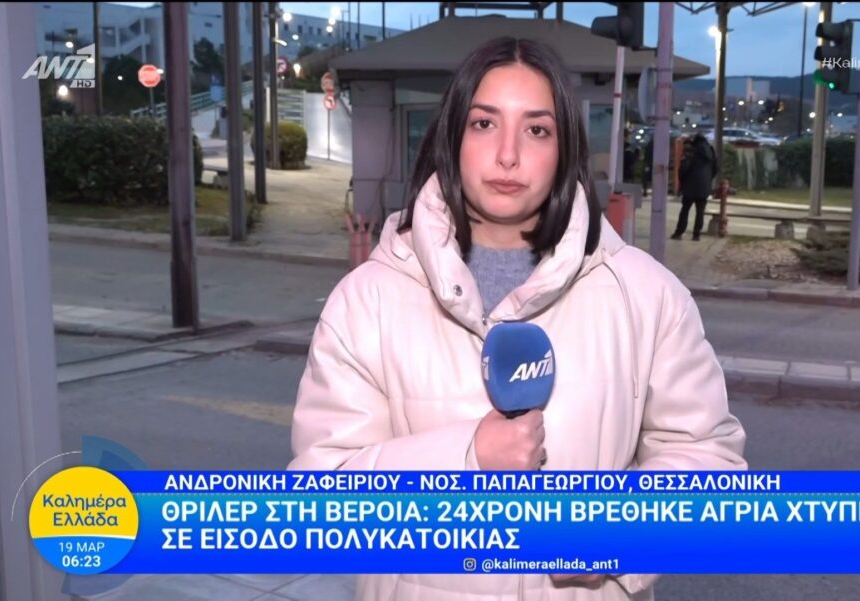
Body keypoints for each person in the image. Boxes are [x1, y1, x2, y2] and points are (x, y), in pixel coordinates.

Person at [289, 36, 747, 601]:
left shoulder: (648, 296)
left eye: (537, 130)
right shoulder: (366, 302)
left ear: (565, 147)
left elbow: (709, 460)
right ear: (452, 137)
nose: (508, 154)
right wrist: (465, 460)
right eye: (484, 124)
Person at [671, 133, 717, 241]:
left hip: (690, 186)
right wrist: (708, 180)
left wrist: (682, 181)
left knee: (685, 210)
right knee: (700, 212)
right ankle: (697, 234)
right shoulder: (711, 151)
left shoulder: (692, 151)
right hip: (704, 187)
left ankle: (679, 232)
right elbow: (715, 168)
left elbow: (684, 168)